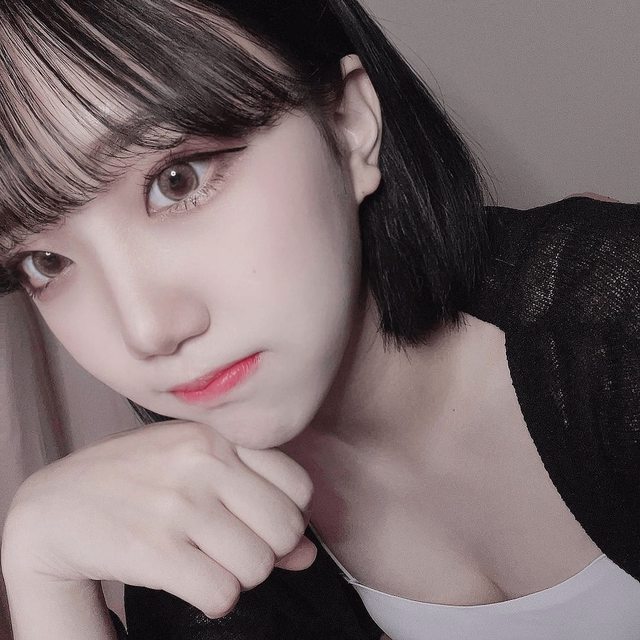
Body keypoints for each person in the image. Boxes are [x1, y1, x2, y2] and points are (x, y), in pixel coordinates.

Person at [0, 1, 639, 639]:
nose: (146, 331)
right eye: (45, 262)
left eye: (178, 180)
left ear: (349, 123)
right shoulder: (201, 522)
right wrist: (44, 579)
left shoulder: (617, 323)